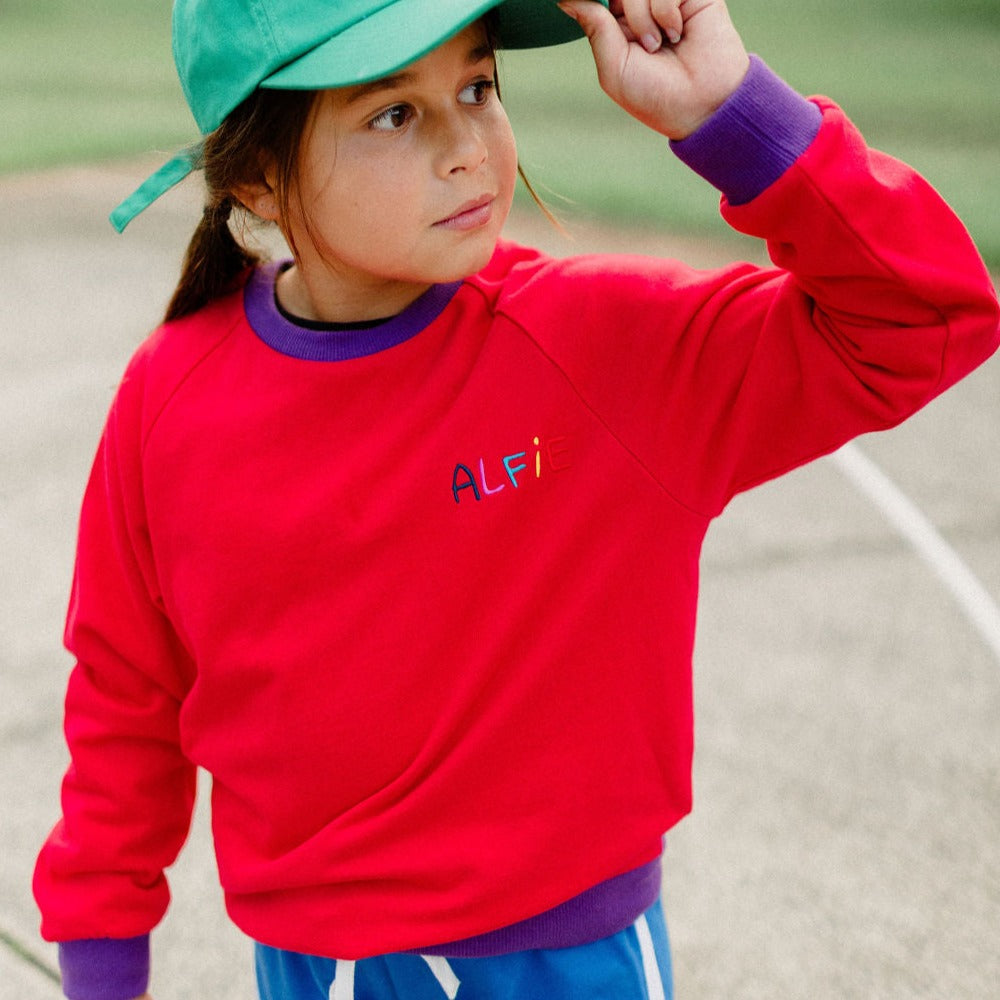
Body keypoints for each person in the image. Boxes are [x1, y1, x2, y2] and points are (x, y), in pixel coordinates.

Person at [33, 0, 999, 998]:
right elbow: (124, 695)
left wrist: (730, 112)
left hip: (568, 963)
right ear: (254, 173)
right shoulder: (170, 397)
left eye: (476, 87)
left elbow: (924, 314)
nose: (466, 147)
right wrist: (105, 959)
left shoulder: (600, 351)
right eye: (393, 114)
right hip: (317, 969)